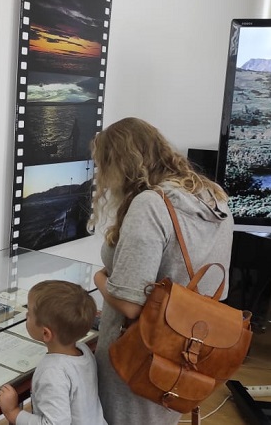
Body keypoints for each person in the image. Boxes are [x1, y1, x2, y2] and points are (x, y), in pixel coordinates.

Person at [90, 117, 233, 425]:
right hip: (185, 349)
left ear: (121, 164)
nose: (101, 177)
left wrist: (100, 278)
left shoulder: (150, 204)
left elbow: (130, 304)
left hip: (139, 351)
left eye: (102, 166)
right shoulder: (214, 197)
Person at [0, 280, 106, 425]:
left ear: (46, 333)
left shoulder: (52, 372)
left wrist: (13, 413)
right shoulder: (83, 350)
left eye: (29, 314)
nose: (26, 315)